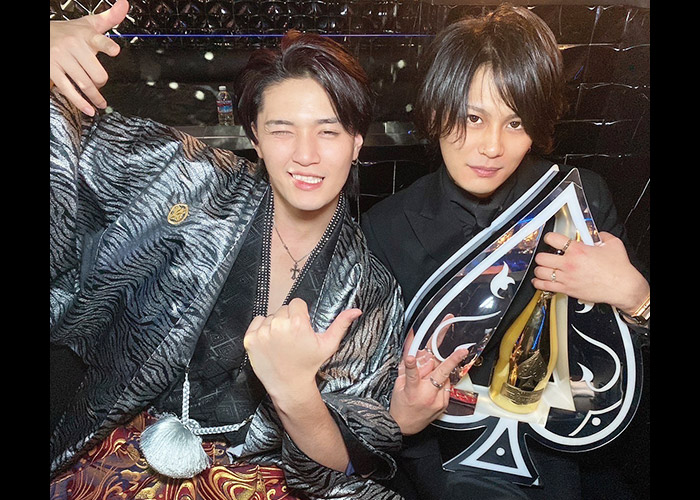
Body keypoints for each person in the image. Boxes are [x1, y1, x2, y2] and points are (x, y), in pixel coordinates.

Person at [50, 2, 409, 498]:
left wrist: (295, 392)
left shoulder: (369, 291)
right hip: (118, 453)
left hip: (255, 482)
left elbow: (347, 465)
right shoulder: (192, 179)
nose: (305, 154)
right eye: (281, 130)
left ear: (356, 142)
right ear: (256, 138)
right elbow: (70, 154)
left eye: (328, 131)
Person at [362, 4, 650, 500]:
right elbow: (373, 385)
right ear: (435, 112)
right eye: (472, 118)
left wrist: (635, 296)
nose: (492, 146)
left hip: (563, 447)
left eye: (515, 123)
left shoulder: (579, 199)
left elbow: (621, 361)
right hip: (440, 453)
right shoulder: (385, 227)